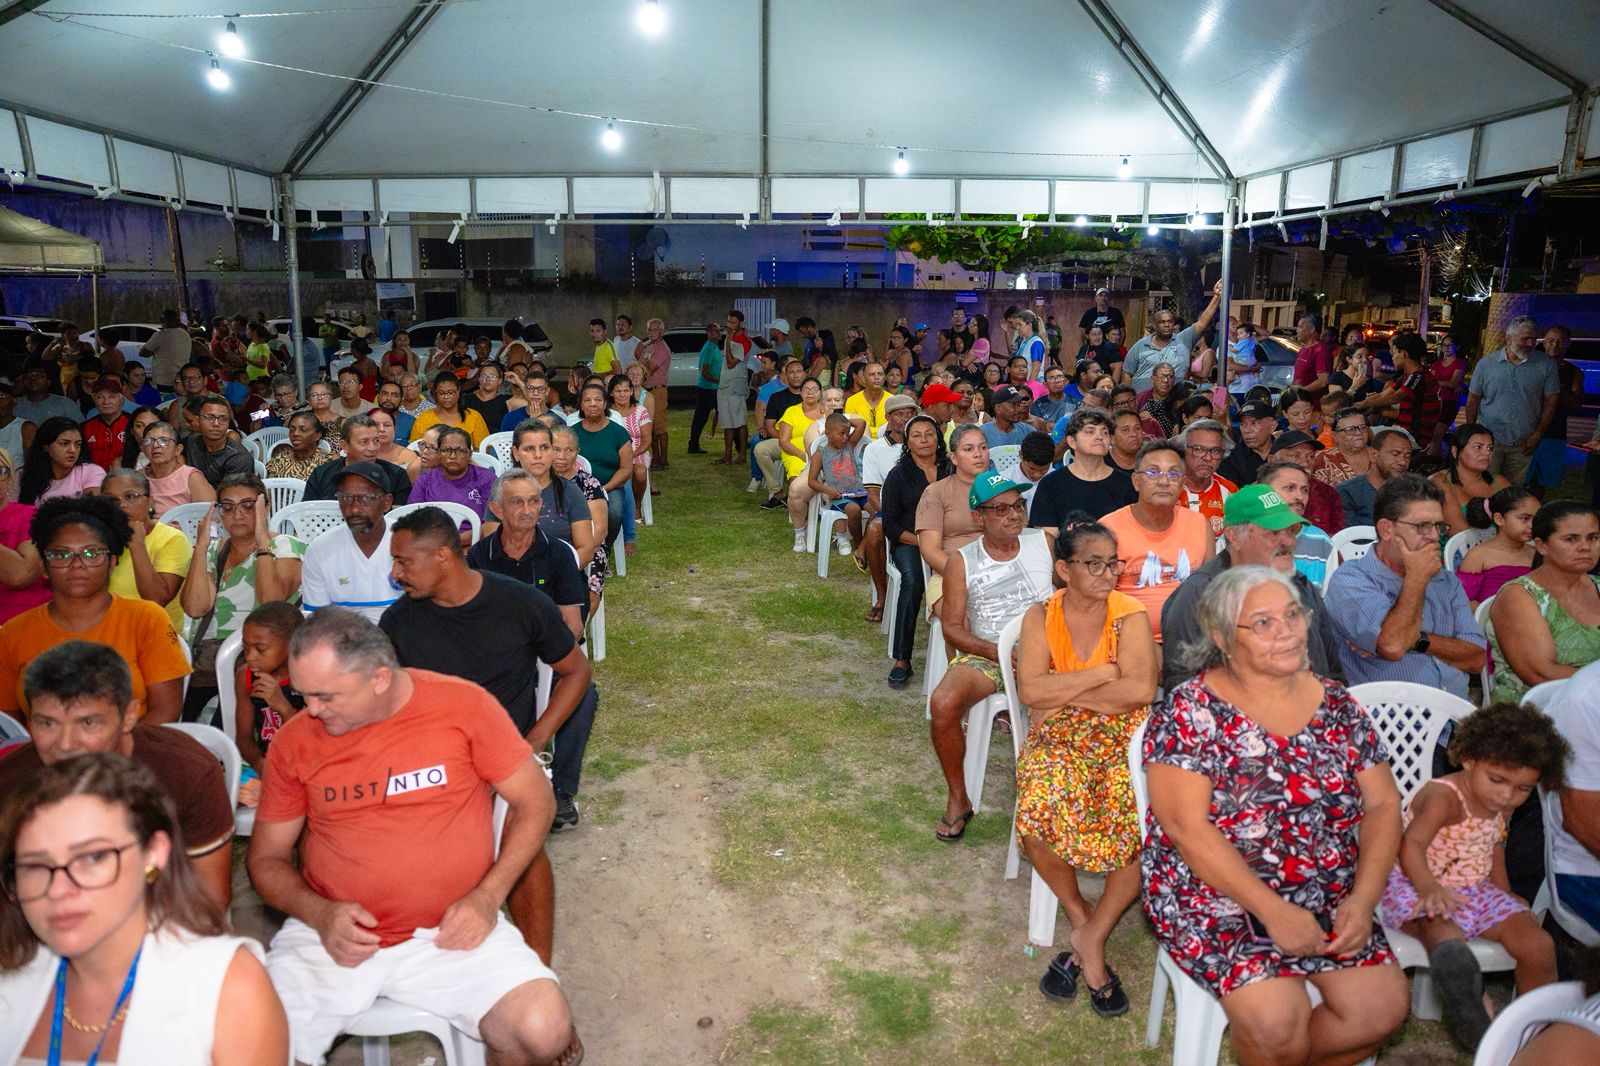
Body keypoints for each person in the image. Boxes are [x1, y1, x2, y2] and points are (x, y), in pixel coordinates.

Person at [246, 609, 578, 1066]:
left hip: (452, 930)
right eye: (304, 695)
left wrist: (487, 897)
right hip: (332, 936)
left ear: (380, 678)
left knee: (544, 1029)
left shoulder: (461, 706)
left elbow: (534, 801)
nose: (311, 711)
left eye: (325, 696)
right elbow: (266, 860)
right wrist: (318, 913)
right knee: (252, 1042)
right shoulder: (296, 741)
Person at [1142, 565, 1409, 1066]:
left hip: (1325, 887)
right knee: (1275, 1020)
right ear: (1222, 636)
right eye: (1262, 623)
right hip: (1214, 894)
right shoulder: (1191, 710)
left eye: (1292, 614)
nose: (1286, 629)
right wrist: (1273, 910)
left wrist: (1364, 897)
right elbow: (1184, 828)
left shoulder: (1337, 703)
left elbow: (1383, 803)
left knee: (1381, 1009)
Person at [0, 751, 286, 1064]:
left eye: (92, 857)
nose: (58, 890)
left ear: (153, 854)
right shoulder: (13, 981)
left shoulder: (226, 990)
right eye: (35, 865)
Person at [388, 500, 595, 854]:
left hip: (503, 753)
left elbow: (576, 672)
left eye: (403, 561)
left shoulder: (519, 603)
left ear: (442, 557)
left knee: (516, 840)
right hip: (433, 759)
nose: (395, 573)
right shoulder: (399, 620)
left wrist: (535, 740)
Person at [1015, 516, 1156, 1016]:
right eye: (1091, 563)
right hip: (1057, 739)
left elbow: (1139, 691)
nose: (1105, 573)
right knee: (1035, 812)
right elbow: (1031, 691)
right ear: (1063, 568)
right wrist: (1101, 674)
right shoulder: (1040, 616)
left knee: (1141, 821)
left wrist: (1066, 692)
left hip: (1125, 735)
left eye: (1112, 563)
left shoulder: (1129, 614)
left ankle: (1090, 940)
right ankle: (1082, 918)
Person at [1379, 701, 1566, 1050]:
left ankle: (1541, 1036)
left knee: (1538, 943)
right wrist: (1429, 888)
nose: (1507, 795)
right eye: (1497, 780)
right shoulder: (1444, 797)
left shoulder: (1502, 802)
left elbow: (1494, 845)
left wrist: (1505, 893)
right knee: (1444, 933)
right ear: (1469, 759)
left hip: (1476, 889)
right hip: (1417, 881)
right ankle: (1472, 1011)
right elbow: (1411, 845)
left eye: (1523, 788)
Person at [0, 641, 234, 908]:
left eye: (88, 722)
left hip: (159, 931)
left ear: (129, 716)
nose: (65, 744)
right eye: (47, 723)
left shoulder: (187, 772)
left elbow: (209, 900)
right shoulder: (10, 782)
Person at [928, 474, 1053, 842]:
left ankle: (1049, 805)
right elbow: (951, 628)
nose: (1014, 515)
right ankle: (957, 797)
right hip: (989, 653)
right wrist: (1002, 654)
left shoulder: (1044, 543)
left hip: (1048, 652)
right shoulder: (962, 562)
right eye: (1001, 508)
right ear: (978, 518)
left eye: (1018, 505)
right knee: (944, 702)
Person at [0, 497, 189, 724]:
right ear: (44, 567)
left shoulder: (147, 619)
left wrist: (109, 753)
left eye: (91, 553)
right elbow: (9, 726)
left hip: (133, 752)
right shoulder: (12, 634)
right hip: (44, 755)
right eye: (61, 555)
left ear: (111, 563)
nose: (77, 564)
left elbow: (166, 712)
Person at [1160, 483, 1342, 692]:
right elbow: (1183, 688)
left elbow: (1332, 670)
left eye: (1290, 531)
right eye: (1273, 533)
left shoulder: (1300, 585)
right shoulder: (1199, 595)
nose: (1288, 542)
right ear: (1235, 536)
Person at [1324, 474, 1485, 700]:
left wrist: (1418, 640)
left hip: (1456, 717)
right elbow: (1393, 645)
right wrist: (1416, 579)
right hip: (1389, 723)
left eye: (1438, 525)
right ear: (1386, 529)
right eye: (1422, 526)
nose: (1434, 536)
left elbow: (1477, 659)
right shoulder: (1351, 579)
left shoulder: (1447, 582)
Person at [1099, 440, 1213, 643]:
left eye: (1173, 474)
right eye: (1153, 473)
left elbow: (1211, 592)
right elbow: (1096, 603)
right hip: (1128, 642)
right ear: (1135, 481)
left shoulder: (1199, 524)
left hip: (1192, 641)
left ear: (1183, 482)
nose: (1163, 481)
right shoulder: (1107, 529)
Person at [1488, 500, 1600, 704]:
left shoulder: (1598, 586)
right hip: (1533, 717)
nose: (1585, 547)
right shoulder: (1518, 596)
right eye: (1571, 539)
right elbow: (1541, 673)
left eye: (1593, 538)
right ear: (1541, 545)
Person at [882, 415, 948, 690]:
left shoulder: (951, 469)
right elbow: (890, 524)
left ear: (938, 438)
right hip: (910, 542)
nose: (924, 440)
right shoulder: (899, 475)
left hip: (949, 540)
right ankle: (902, 659)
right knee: (913, 580)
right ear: (907, 442)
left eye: (929, 434)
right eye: (917, 435)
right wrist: (923, 544)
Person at [299, 462, 399, 621]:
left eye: (366, 498)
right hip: (345, 640)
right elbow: (319, 622)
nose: (354, 509)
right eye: (346, 498)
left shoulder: (412, 544)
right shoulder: (320, 550)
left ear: (387, 502)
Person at [1463, 315, 1559, 482]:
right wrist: (1472, 433)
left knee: (1514, 491)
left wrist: (1537, 434)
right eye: (1525, 339)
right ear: (1509, 338)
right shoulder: (1487, 364)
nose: (1530, 344)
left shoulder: (1546, 365)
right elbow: (1473, 398)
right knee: (1486, 485)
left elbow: (1551, 401)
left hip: (1524, 441)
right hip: (1490, 440)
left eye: (1534, 339)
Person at [232, 601, 305, 800]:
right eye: (245, 648)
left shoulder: (308, 675)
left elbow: (315, 738)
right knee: (223, 797)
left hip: (306, 764)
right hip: (263, 764)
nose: (250, 657)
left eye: (260, 649)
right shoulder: (245, 676)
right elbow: (244, 738)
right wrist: (259, 763)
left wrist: (282, 705)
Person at [101, 469, 190, 630]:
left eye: (130, 496)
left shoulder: (171, 539)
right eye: (111, 500)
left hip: (155, 638)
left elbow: (156, 600)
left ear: (150, 502)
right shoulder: (98, 539)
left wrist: (137, 545)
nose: (121, 504)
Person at [1029, 410, 1135, 541]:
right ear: (1072, 442)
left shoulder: (1125, 483)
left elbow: (1132, 534)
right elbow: (1047, 540)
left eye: (1105, 432)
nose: (1099, 436)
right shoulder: (1050, 484)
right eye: (1090, 431)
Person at [1121, 281, 1221, 392]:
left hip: (1173, 400)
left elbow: (1202, 323)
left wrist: (1216, 296)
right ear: (1154, 325)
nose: (1167, 324)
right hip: (1142, 399)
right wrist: (1127, 397)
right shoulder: (1140, 345)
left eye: (1170, 321)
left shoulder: (1183, 339)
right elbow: (1127, 373)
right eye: (1162, 322)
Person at [302, 413, 412, 506]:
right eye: (364, 442)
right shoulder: (321, 474)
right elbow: (305, 515)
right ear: (345, 446)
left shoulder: (397, 476)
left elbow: (400, 518)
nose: (372, 448)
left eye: (376, 441)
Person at [1455, 486, 1537, 608]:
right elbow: (1465, 601)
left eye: (1537, 519)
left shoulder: (1537, 554)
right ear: (1499, 519)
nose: (1532, 525)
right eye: (1525, 518)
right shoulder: (1478, 556)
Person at [1529, 325, 1583, 500]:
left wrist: (1548, 396)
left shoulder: (1573, 372)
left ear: (1568, 344)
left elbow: (1576, 401)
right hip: (1525, 429)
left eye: (1560, 341)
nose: (1555, 344)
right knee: (1519, 478)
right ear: (1544, 341)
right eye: (1551, 340)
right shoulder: (1531, 366)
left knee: (1542, 481)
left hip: (1554, 433)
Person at [803, 412, 868, 558]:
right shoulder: (821, 454)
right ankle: (859, 545)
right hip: (840, 497)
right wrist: (828, 490)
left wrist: (844, 423)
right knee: (854, 510)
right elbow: (811, 481)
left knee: (876, 509)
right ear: (828, 434)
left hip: (860, 492)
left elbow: (861, 423)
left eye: (847, 433)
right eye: (841, 434)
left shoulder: (849, 444)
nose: (845, 437)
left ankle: (866, 543)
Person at [1432, 423, 1511, 537]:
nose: (1486, 452)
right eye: (1478, 447)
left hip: (1500, 548)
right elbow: (1458, 532)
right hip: (1457, 550)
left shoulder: (1499, 482)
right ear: (1455, 451)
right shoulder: (1441, 481)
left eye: (1490, 448)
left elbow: (1518, 518)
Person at [0, 447, 47, 623]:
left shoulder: (30, 516)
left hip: (22, 619)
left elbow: (20, 575)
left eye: (0, 471)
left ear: (10, 477)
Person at [409, 425, 496, 519]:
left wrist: (470, 534)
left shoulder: (486, 478)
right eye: (446, 450)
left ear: (469, 454)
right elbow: (412, 520)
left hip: (476, 532)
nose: (453, 456)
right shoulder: (423, 480)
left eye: (460, 451)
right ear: (439, 453)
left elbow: (492, 524)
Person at [1338, 426, 1413, 528]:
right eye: (1395, 454)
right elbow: (1349, 538)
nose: (1403, 462)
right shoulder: (1346, 493)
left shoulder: (1413, 493)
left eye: (1407, 456)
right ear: (1373, 454)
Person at [18, 417, 106, 505]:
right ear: (46, 447)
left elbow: (93, 512)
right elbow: (11, 512)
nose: (73, 450)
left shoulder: (91, 472)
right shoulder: (22, 475)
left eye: (78, 444)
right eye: (64, 443)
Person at [137, 419, 214, 515]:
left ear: (178, 449)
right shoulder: (137, 478)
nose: (156, 445)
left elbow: (210, 517)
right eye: (149, 441)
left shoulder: (191, 478)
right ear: (143, 449)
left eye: (164, 441)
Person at [1175, 419, 1236, 537]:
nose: (1208, 458)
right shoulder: (1166, 487)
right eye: (1198, 449)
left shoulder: (1230, 492)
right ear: (1183, 450)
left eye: (1216, 451)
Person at [183, 396, 253, 489]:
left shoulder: (238, 458)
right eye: (209, 417)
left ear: (228, 423)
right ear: (198, 420)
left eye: (223, 419)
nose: (216, 423)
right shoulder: (191, 441)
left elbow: (230, 496)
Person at [607, 373, 652, 514]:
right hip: (612, 453)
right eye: (618, 391)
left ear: (632, 391)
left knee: (639, 471)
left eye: (626, 390)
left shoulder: (640, 411)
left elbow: (647, 440)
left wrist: (632, 454)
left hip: (637, 451)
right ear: (611, 392)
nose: (622, 395)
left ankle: (636, 506)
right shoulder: (606, 412)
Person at [410, 373, 490, 449]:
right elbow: (415, 449)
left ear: (458, 391)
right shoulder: (424, 418)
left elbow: (484, 448)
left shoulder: (474, 417)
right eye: (441, 393)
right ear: (435, 393)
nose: (446, 396)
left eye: (451, 392)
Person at [1218, 401, 1277, 487]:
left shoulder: (1286, 452)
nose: (1247, 430)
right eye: (1243, 424)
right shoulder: (1230, 459)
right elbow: (1232, 497)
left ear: (1272, 426)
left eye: (1254, 423)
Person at [1310, 408, 1371, 488]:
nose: (1358, 433)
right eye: (1350, 430)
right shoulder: (1322, 459)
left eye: (1362, 427)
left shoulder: (1379, 455)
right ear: (1335, 436)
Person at [688, 321, 723, 454]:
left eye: (720, 331)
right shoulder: (709, 348)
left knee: (715, 414)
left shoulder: (714, 347)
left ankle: (694, 444)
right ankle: (693, 445)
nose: (719, 333)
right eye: (716, 331)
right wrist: (718, 381)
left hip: (712, 388)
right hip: (707, 388)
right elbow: (705, 371)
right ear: (709, 333)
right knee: (701, 417)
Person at [139, 308, 195, 391]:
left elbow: (142, 353)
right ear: (178, 320)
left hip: (165, 381)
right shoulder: (185, 335)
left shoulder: (160, 335)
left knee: (166, 403)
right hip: (183, 379)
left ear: (163, 320)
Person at [81, 376, 129, 471]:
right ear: (93, 399)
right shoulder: (85, 427)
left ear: (121, 399)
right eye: (100, 397)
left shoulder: (133, 423)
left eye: (112, 396)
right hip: (94, 479)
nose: (106, 402)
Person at [1288, 313, 1334, 399]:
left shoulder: (1321, 350)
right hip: (1300, 401)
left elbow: (1323, 381)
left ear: (1312, 329)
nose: (1297, 330)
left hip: (1313, 405)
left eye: (1300, 327)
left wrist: (1301, 393)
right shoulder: (1303, 349)